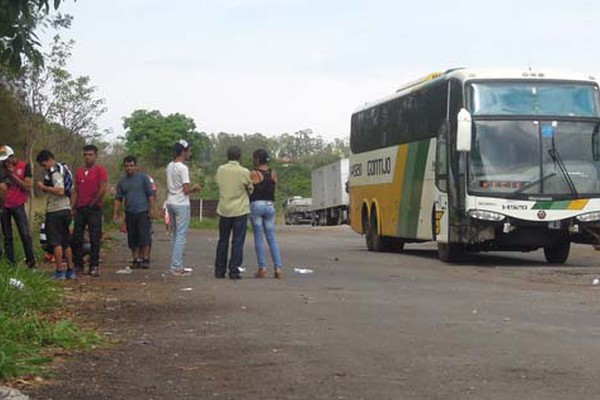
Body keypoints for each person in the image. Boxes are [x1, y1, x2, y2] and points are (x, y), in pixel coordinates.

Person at [214, 146, 253, 280]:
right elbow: (250, 188)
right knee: (237, 242)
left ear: (227, 156)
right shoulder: (244, 171)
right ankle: (234, 271)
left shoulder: (221, 170)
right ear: (240, 157)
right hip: (240, 210)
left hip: (224, 209)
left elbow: (218, 183)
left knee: (223, 240)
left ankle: (219, 270)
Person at [36, 150, 74, 280]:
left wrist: (43, 187)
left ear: (48, 160)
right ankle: (70, 270)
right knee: (66, 242)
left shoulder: (55, 171)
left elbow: (60, 190)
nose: (44, 168)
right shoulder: (65, 169)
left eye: (43, 165)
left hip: (56, 210)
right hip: (66, 209)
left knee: (56, 243)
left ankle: (59, 271)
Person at [71, 144, 108, 277]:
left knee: (94, 238)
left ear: (95, 156)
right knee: (77, 237)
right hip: (80, 208)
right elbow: (76, 190)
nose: (88, 157)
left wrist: (93, 202)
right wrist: (72, 206)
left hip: (94, 208)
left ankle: (94, 265)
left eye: (90, 155)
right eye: (86, 155)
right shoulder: (79, 171)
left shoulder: (100, 170)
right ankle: (78, 264)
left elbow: (103, 188)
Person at [165, 139, 201, 276]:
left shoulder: (169, 166)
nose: (190, 153)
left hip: (170, 201)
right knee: (181, 235)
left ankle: (177, 264)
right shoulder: (183, 168)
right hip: (181, 203)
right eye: (189, 150)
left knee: (175, 234)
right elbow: (186, 190)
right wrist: (195, 189)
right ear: (183, 152)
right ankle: (176, 266)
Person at [113, 156, 155, 269]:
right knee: (132, 237)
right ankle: (135, 259)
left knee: (145, 236)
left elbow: (150, 194)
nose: (129, 168)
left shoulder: (143, 178)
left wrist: (151, 209)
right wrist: (116, 212)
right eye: (127, 166)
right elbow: (118, 198)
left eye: (131, 165)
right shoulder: (122, 181)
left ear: (136, 166)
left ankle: (145, 259)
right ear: (124, 167)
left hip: (143, 211)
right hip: (130, 212)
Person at [249, 149, 283, 279]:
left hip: (257, 205)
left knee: (259, 237)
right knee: (271, 237)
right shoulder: (273, 173)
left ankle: (262, 268)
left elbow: (250, 188)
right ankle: (278, 268)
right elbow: (274, 186)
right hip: (270, 206)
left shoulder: (254, 173)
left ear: (257, 159)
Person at [0, 145, 36, 268]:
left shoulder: (25, 166)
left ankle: (31, 262)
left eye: (7, 159)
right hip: (4, 206)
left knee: (24, 234)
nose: (5, 162)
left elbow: (27, 186)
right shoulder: (1, 168)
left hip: (18, 204)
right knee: (7, 236)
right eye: (3, 160)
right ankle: (11, 263)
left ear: (12, 156)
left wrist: (12, 175)